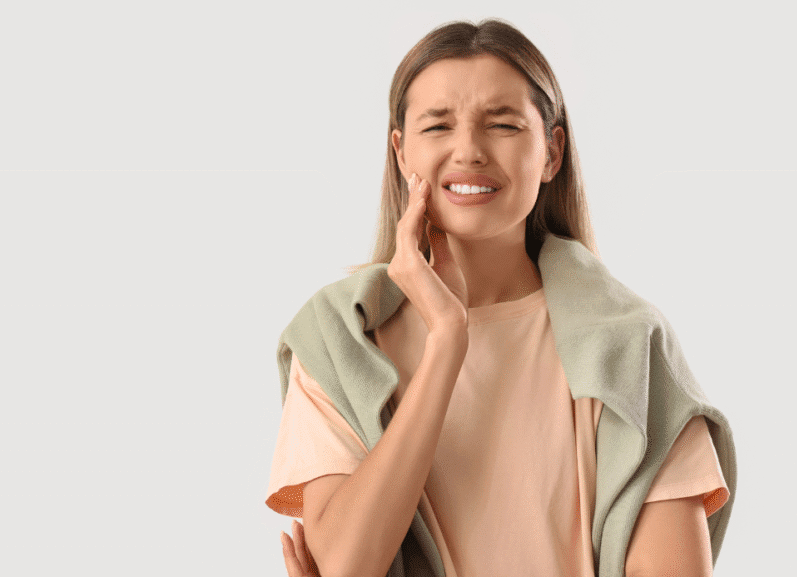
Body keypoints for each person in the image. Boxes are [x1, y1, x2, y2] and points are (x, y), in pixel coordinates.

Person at [266, 18, 736, 577]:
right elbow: (347, 567)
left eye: (503, 125)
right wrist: (447, 343)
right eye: (438, 126)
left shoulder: (632, 346)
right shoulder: (337, 337)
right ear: (401, 153)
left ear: (552, 153)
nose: (469, 150)